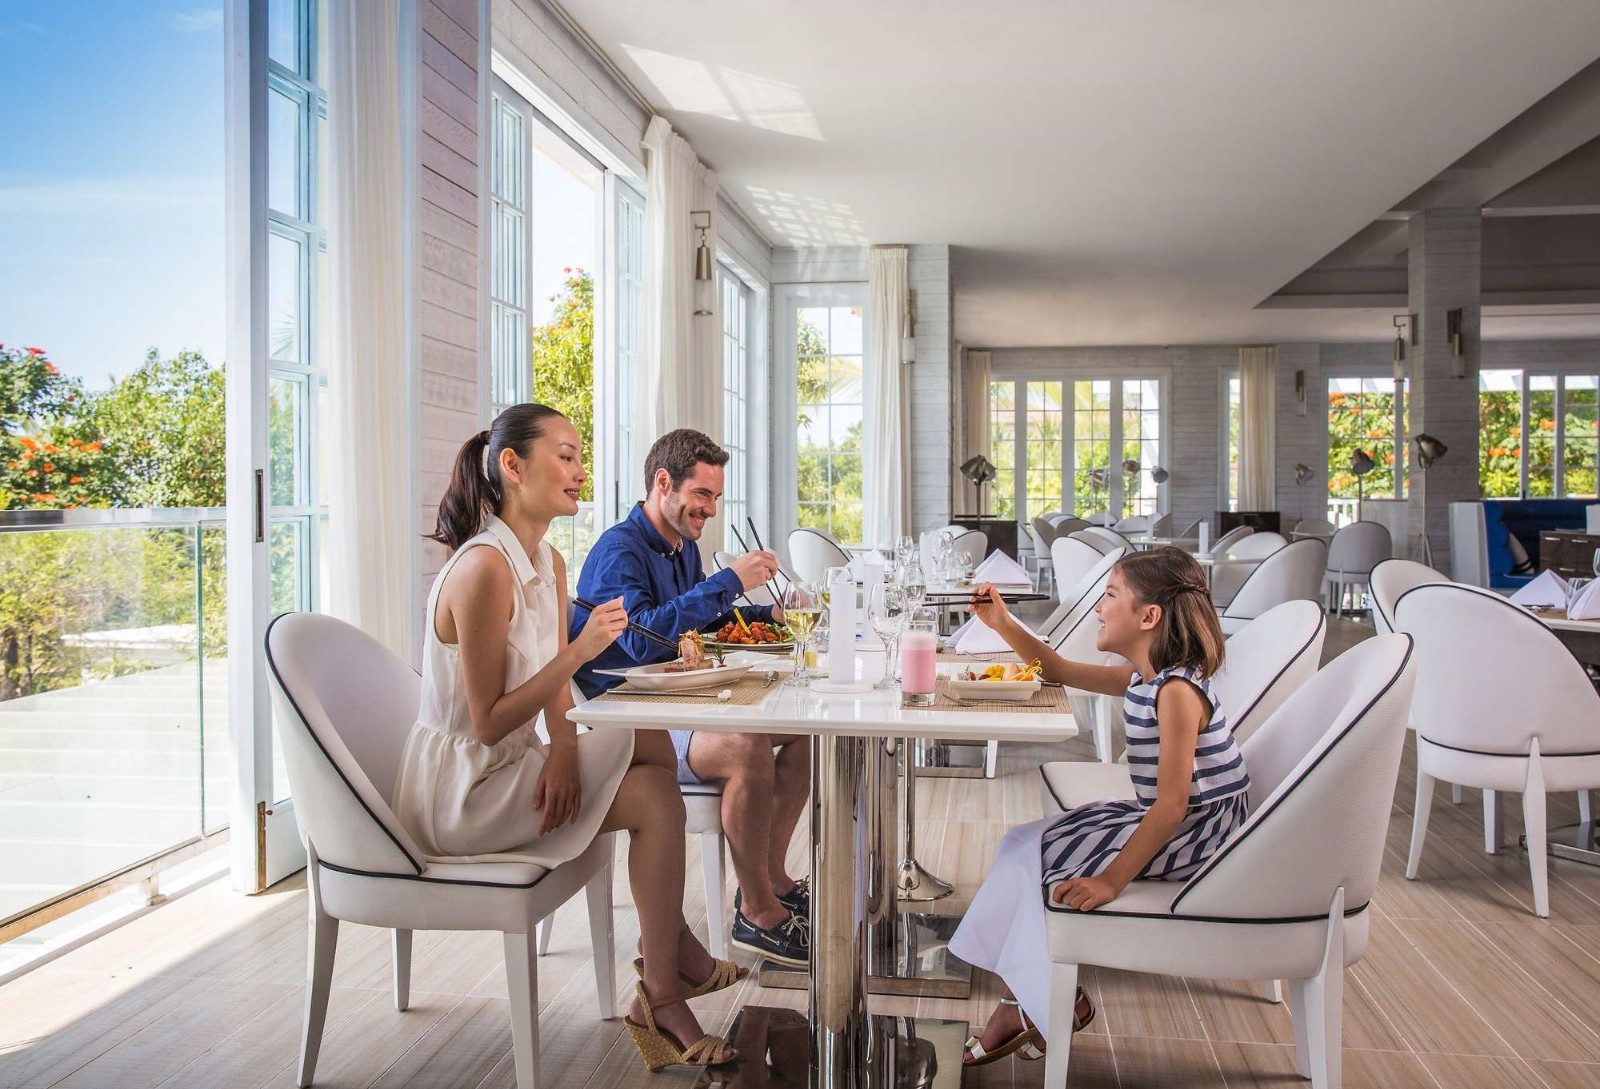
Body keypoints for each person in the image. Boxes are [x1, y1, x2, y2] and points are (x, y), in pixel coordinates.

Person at [393, 405, 739, 1072]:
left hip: (514, 761)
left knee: (651, 766)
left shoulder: (546, 560)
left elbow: (553, 691)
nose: (581, 472)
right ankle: (667, 981)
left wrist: (563, 745)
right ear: (513, 467)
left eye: (581, 456)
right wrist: (580, 652)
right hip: (466, 791)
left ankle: (664, 985)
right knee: (649, 784)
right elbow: (489, 716)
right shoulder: (482, 569)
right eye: (566, 456)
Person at [949, 547, 1249, 1067]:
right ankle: (1042, 1001)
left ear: (1149, 617)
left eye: (1111, 596)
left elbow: (1174, 805)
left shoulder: (1176, 692)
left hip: (1197, 833)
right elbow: (1058, 669)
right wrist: (1002, 623)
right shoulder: (1145, 679)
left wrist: (1111, 881)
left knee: (1042, 863)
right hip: (1168, 817)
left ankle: (1030, 1004)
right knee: (1021, 842)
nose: (1099, 607)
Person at [574, 428, 812, 967]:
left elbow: (706, 620)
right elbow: (637, 641)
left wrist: (767, 614)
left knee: (807, 733)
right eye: (701, 495)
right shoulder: (620, 550)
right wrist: (728, 580)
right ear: (664, 483)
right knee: (745, 744)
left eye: (715, 497)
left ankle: (771, 880)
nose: (709, 508)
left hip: (677, 704)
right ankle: (756, 913)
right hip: (632, 721)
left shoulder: (682, 546)